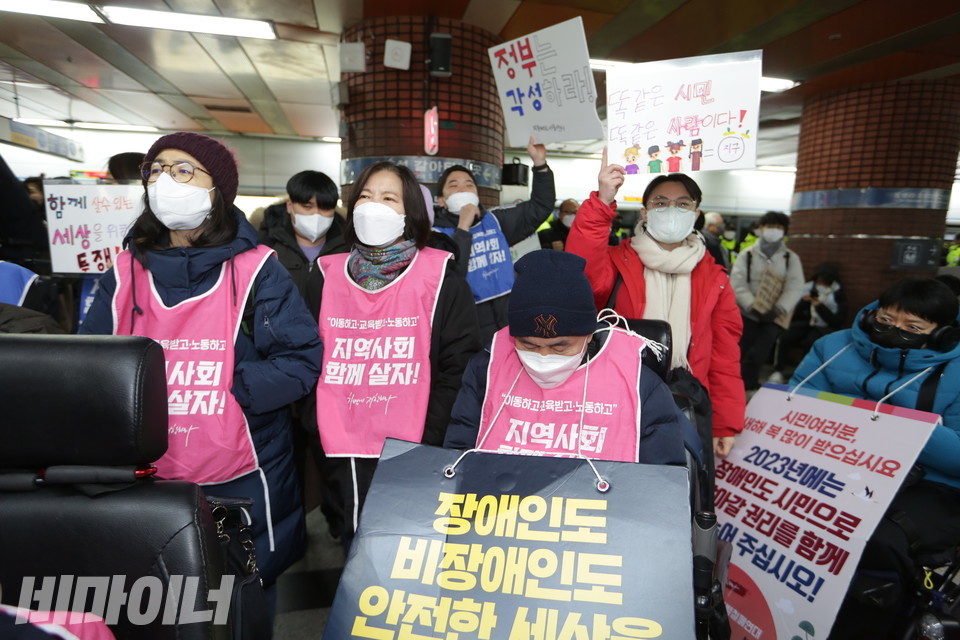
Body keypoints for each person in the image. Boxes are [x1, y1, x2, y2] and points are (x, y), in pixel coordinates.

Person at [79, 132, 322, 591]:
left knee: (241, 592)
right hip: (144, 476)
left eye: (183, 170)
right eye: (156, 170)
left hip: (240, 471)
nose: (166, 180)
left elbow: (301, 358)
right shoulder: (124, 272)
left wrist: (231, 391)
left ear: (217, 190)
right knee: (158, 592)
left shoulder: (256, 268)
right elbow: (88, 368)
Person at [304, 161, 480, 550]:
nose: (373, 206)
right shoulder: (326, 273)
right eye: (365, 197)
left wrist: (431, 435)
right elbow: (305, 353)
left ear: (410, 212)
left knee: (410, 549)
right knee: (357, 547)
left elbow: (459, 364)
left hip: (416, 444)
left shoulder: (442, 277)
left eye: (388, 198)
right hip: (341, 445)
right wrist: (314, 422)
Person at [789, 278, 960, 639]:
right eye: (886, 320)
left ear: (942, 333)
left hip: (929, 483)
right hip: (833, 463)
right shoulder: (832, 348)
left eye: (913, 327)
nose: (896, 331)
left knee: (876, 539)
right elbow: (796, 403)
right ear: (871, 317)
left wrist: (893, 423)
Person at [565, 148, 745, 459]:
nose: (671, 210)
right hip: (616, 395)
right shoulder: (618, 261)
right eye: (660, 203)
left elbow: (725, 355)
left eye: (682, 203)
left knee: (675, 492)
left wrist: (726, 424)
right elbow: (582, 273)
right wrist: (603, 200)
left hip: (685, 401)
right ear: (645, 212)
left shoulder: (715, 278)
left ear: (696, 214)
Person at [444, 249, 698, 468]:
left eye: (560, 347)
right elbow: (455, 458)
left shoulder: (637, 383)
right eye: (528, 345)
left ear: (588, 335)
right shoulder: (486, 370)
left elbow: (662, 482)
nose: (543, 357)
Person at [432, 136, 555, 343]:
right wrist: (463, 227)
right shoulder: (436, 235)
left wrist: (540, 165)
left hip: (512, 315)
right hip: (471, 325)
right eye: (454, 186)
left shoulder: (496, 221)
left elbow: (540, 207)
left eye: (469, 185)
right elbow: (453, 276)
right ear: (442, 201)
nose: (463, 189)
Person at [729, 210, 805, 391]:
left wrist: (779, 309)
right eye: (770, 226)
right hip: (747, 314)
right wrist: (751, 306)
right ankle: (732, 384)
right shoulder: (747, 254)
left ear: (785, 230)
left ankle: (749, 386)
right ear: (761, 228)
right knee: (738, 351)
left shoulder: (790, 258)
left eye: (778, 227)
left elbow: (795, 286)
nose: (774, 230)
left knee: (759, 354)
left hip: (773, 317)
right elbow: (737, 283)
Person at [258, 170, 345, 296]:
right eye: (307, 207)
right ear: (289, 206)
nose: (316, 214)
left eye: (325, 208)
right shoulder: (266, 246)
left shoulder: (348, 249)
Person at [769, 263, 846, 382]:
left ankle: (805, 374)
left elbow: (836, 321)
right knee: (785, 336)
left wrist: (819, 306)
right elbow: (794, 315)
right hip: (805, 323)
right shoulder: (808, 289)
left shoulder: (837, 296)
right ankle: (778, 370)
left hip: (823, 327)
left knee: (811, 342)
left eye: (823, 283)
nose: (820, 285)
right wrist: (805, 303)